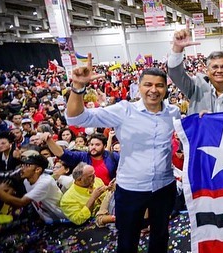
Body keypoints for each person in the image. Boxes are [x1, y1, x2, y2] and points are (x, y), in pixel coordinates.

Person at [65, 54, 180, 253]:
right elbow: (76, 119)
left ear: (166, 88)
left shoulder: (173, 112)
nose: (153, 90)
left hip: (164, 187)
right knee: (127, 241)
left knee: (160, 237)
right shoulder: (123, 110)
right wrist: (78, 87)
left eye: (159, 85)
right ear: (139, 86)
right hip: (131, 189)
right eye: (148, 85)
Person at [168, 25, 223, 114]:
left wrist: (212, 120)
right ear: (207, 71)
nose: (219, 70)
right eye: (215, 67)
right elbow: (176, 74)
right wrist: (177, 49)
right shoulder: (196, 88)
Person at [0, 154, 66, 223]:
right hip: (49, 221)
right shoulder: (26, 181)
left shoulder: (45, 182)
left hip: (63, 219)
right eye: (22, 165)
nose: (22, 169)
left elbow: (21, 202)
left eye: (27, 166)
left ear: (37, 169)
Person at [43, 132, 118, 186]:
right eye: (91, 144)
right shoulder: (82, 156)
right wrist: (49, 140)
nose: (93, 147)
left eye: (97, 145)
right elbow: (62, 154)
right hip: (87, 194)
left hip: (108, 192)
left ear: (104, 146)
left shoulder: (113, 156)